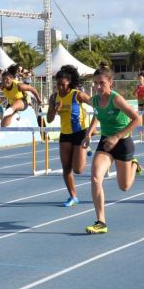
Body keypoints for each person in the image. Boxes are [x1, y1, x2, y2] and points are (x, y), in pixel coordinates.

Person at [82, 66, 142, 234]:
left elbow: (137, 119)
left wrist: (117, 136)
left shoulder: (116, 99)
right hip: (105, 143)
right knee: (95, 178)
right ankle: (101, 222)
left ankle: (134, 165)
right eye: (95, 83)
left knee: (124, 187)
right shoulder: (94, 100)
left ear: (110, 82)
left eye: (102, 83)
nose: (98, 87)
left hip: (122, 142)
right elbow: (97, 114)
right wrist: (88, 134)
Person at [46, 65, 92, 207]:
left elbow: (94, 103)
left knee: (78, 169)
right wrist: (55, 109)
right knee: (66, 167)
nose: (60, 87)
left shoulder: (76, 94)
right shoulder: (54, 97)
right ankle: (73, 196)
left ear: (69, 83)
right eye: (58, 84)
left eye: (63, 84)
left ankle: (86, 149)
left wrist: (92, 127)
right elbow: (49, 119)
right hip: (65, 134)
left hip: (79, 133)